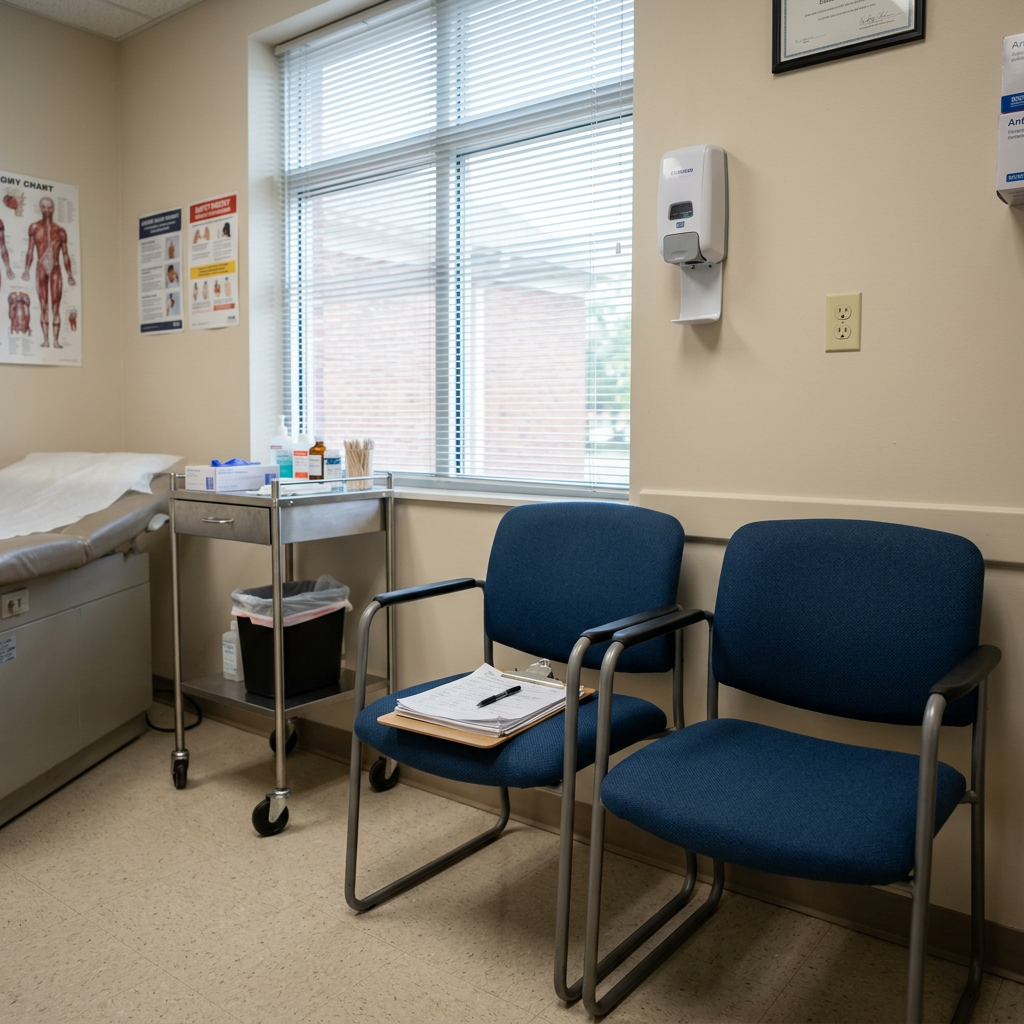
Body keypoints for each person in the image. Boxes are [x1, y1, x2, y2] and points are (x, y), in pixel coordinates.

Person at [22, 197, 74, 348]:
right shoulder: (34, 228)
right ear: (40, 208)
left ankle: (56, 341)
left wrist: (70, 274)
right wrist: (26, 269)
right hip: (41, 268)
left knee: (55, 306)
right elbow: (30, 251)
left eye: (49, 207)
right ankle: (46, 340)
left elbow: (65, 254)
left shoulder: (60, 231)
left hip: (56, 268)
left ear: (53, 209)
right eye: (44, 207)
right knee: (43, 305)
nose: (47, 210)